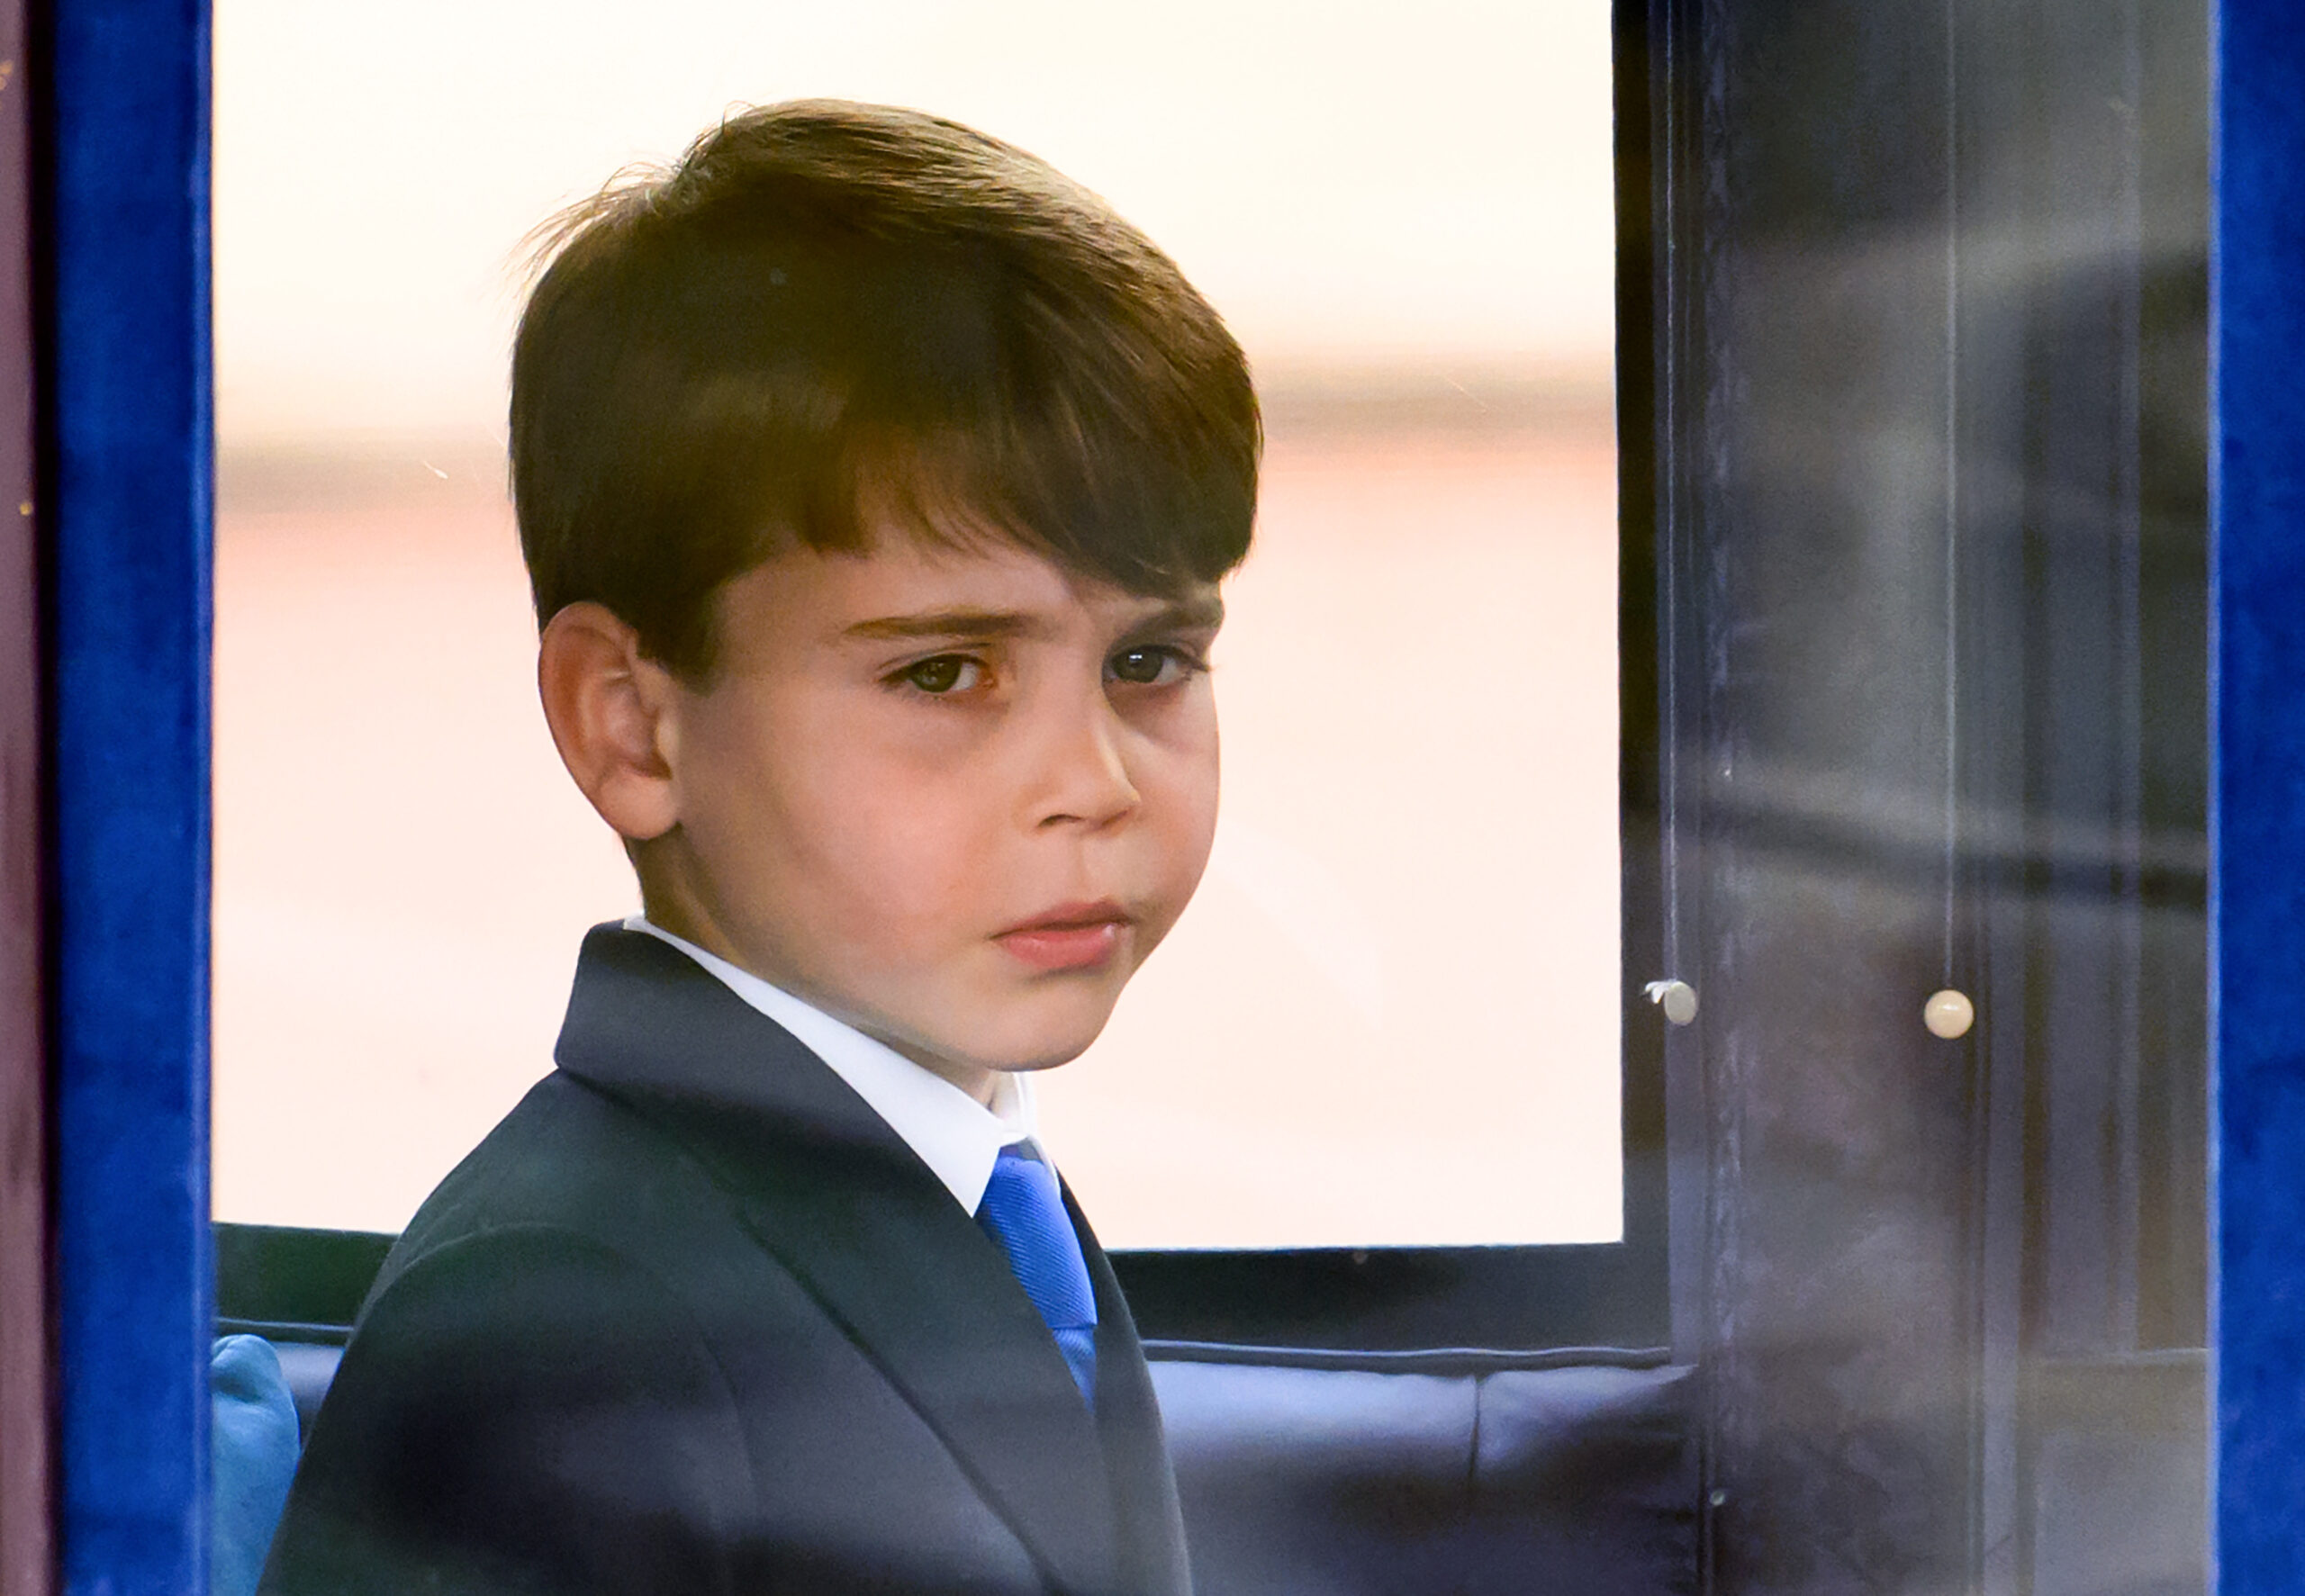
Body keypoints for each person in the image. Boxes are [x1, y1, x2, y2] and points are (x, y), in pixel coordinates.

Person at [258, 99, 1259, 1596]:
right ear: (633, 729)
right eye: (944, 672)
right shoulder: (558, 1326)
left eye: (1150, 660)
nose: (1096, 781)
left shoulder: (969, 1184)